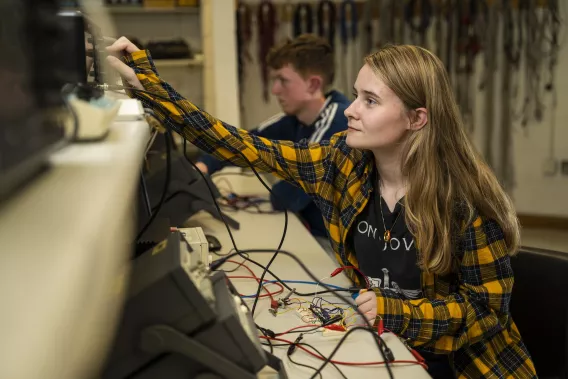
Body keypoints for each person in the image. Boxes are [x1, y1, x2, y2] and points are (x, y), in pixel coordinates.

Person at [107, 37, 537, 378]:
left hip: (468, 368)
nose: (350, 110)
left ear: (416, 119)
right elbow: (244, 146)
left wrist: (395, 312)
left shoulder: (463, 200)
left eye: (370, 101)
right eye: (355, 95)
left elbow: (486, 312)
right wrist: (151, 87)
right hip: (388, 348)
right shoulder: (342, 164)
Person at [195, 34, 350, 245]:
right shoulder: (295, 119)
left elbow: (287, 196)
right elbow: (245, 142)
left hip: (338, 248)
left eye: (283, 80)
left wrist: (280, 184)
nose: (275, 90)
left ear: (313, 85)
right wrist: (204, 166)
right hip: (312, 232)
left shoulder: (340, 121)